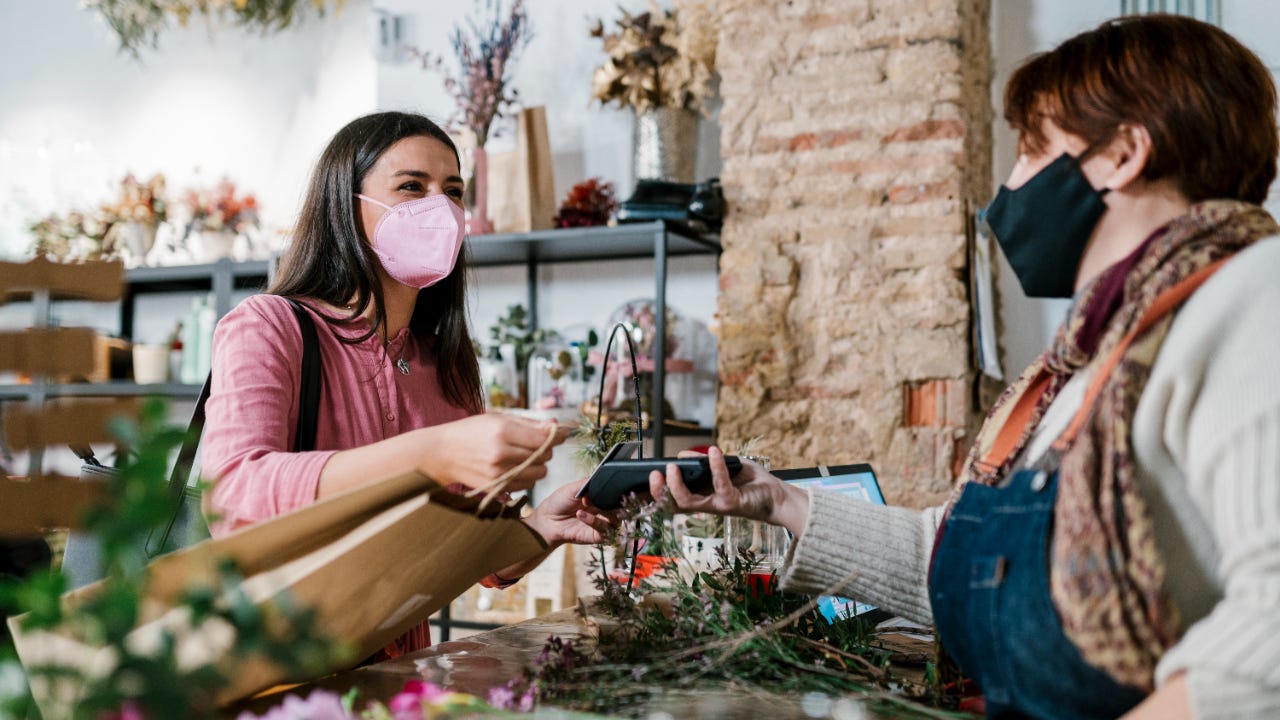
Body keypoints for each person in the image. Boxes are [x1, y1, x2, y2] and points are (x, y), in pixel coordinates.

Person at [652, 15, 1280, 720]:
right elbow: (977, 569)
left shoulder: (1251, 298)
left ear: (1125, 153)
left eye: (1031, 151)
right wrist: (779, 503)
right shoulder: (1082, 362)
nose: (1010, 188)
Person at [201, 111, 610, 658]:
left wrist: (540, 527)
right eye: (411, 187)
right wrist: (433, 453)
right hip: (284, 672)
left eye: (453, 191)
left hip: (399, 681)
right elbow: (234, 492)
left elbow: (466, 557)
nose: (438, 207)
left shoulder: (446, 365)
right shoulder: (269, 326)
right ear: (346, 205)